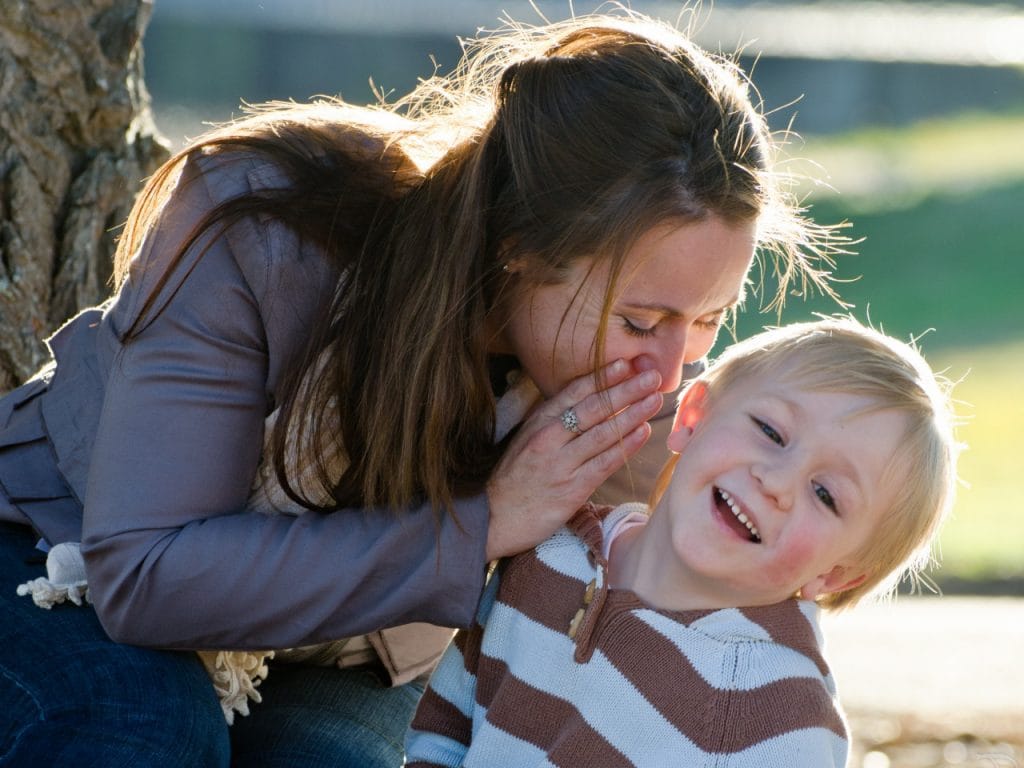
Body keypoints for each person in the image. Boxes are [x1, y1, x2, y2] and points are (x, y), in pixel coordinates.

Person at [0, 10, 841, 768]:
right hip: (57, 556)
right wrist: (485, 525)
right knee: (141, 730)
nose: (669, 373)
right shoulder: (264, 228)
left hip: (351, 653)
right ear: (518, 248)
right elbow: (143, 572)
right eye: (639, 320)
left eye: (706, 320)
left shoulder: (644, 389)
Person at [405, 316, 959, 768]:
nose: (777, 481)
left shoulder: (778, 717)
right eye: (770, 431)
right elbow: (447, 725)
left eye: (825, 494)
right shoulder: (551, 552)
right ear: (693, 417)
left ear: (833, 576)